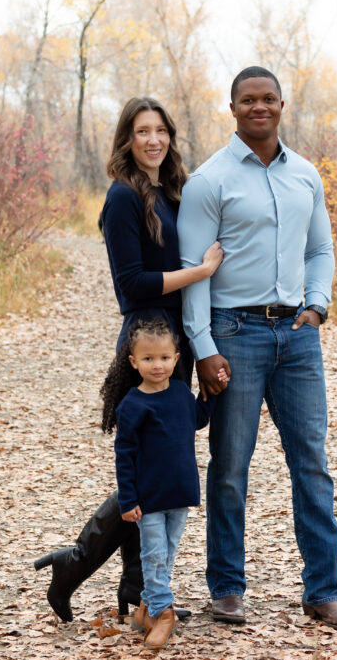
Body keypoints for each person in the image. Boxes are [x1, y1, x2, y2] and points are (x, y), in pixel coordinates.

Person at [177, 66, 337, 632]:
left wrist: (317, 305)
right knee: (230, 467)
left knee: (312, 464)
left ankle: (323, 592)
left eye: (268, 99)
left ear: (282, 104)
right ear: (232, 108)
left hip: (298, 338)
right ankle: (228, 588)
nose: (259, 107)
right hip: (235, 334)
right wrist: (204, 346)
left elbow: (321, 249)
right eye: (247, 100)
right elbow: (193, 271)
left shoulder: (306, 175)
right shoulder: (210, 180)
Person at [34, 97, 223, 622]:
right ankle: (76, 564)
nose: (153, 140)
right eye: (142, 131)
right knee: (143, 468)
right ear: (127, 139)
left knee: (158, 470)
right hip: (143, 341)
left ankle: (136, 595)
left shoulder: (171, 191)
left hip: (174, 342)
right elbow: (131, 285)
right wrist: (198, 275)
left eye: (161, 130)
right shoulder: (122, 197)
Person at [105, 319, 221, 649]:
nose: (158, 365)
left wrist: (208, 393)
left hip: (180, 491)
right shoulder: (133, 405)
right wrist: (128, 500)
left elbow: (198, 419)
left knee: (166, 555)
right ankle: (162, 612)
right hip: (149, 497)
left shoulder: (181, 395)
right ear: (133, 362)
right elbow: (124, 456)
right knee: (154, 555)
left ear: (176, 358)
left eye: (165, 358)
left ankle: (144, 609)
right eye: (148, 358)